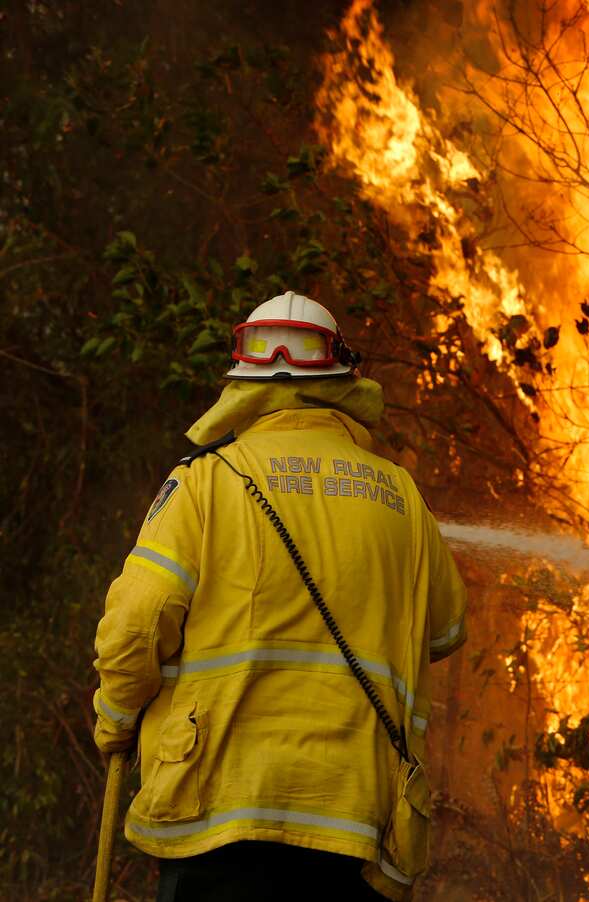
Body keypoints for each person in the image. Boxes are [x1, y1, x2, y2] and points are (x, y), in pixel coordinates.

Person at [90, 291, 467, 901]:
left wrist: (115, 718)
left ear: (242, 384)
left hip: (217, 811)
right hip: (355, 825)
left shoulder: (204, 481)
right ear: (345, 380)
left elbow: (138, 622)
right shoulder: (403, 497)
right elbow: (447, 630)